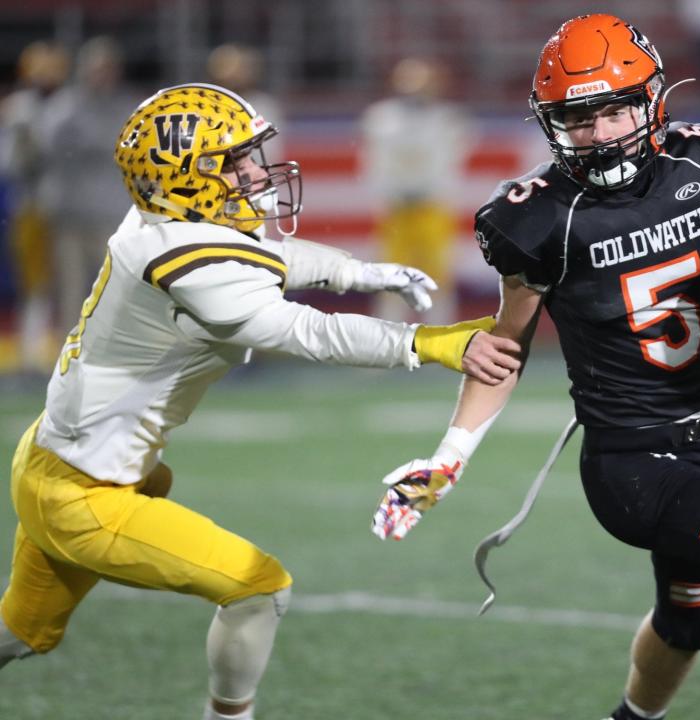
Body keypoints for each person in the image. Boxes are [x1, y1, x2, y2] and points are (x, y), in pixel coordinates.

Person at [0, 83, 521, 720]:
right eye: (233, 160)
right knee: (257, 588)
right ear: (186, 177)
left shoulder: (163, 221)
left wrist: (361, 273)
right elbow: (311, 331)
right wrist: (434, 343)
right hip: (83, 494)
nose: (253, 171)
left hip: (62, 463)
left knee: (19, 635)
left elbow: (257, 255)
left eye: (250, 153)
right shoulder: (187, 260)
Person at [371, 15, 700, 720]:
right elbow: (506, 348)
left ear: (651, 99)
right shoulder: (535, 218)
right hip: (632, 466)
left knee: (693, 625)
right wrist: (450, 455)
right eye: (576, 118)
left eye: (614, 109)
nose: (598, 132)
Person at [35, 35, 138, 337]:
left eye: (106, 69)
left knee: (119, 288)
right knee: (70, 291)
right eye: (96, 69)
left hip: (111, 215)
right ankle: (70, 361)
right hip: (69, 214)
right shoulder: (64, 106)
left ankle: (121, 354)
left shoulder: (126, 106)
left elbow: (134, 151)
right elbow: (46, 147)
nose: (101, 76)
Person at [359, 57, 473, 324]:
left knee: (437, 274)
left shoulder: (448, 119)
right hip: (397, 206)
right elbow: (373, 162)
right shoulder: (381, 118)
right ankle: (386, 335)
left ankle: (442, 335)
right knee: (389, 274)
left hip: (431, 205)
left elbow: (452, 160)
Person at [0, 40, 70, 372]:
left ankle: (64, 352)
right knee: (34, 284)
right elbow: (10, 163)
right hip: (31, 205)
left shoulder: (70, 105)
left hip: (70, 207)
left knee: (70, 282)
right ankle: (31, 354)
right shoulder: (19, 108)